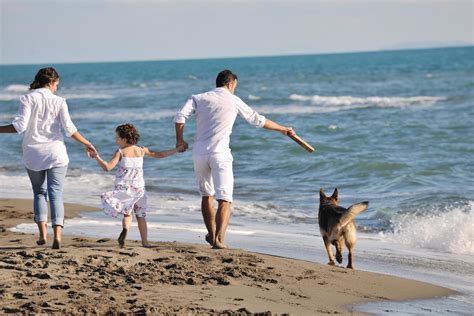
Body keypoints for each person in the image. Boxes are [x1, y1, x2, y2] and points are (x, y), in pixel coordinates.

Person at [174, 69, 296, 249]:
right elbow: (258, 121)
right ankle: (219, 239)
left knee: (207, 195)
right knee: (224, 199)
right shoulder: (234, 100)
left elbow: (179, 116)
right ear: (230, 84)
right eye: (234, 87)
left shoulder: (198, 98)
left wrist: (179, 139)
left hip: (199, 153)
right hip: (220, 154)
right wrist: (283, 129)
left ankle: (212, 234)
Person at [0, 67, 96, 249]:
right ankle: (57, 237)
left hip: (33, 153)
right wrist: (87, 143)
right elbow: (70, 129)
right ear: (51, 82)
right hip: (56, 153)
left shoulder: (27, 98)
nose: (57, 88)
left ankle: (42, 235)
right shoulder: (60, 101)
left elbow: (19, 127)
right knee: (56, 194)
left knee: (39, 192)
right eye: (57, 84)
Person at [89, 123, 187, 248]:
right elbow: (160, 154)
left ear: (124, 139)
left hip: (124, 187)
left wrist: (96, 156)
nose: (115, 139)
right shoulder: (141, 150)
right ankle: (145, 242)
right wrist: (177, 149)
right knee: (141, 215)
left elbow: (107, 167)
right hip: (139, 188)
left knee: (127, 213)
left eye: (117, 137)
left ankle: (125, 230)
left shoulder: (121, 152)